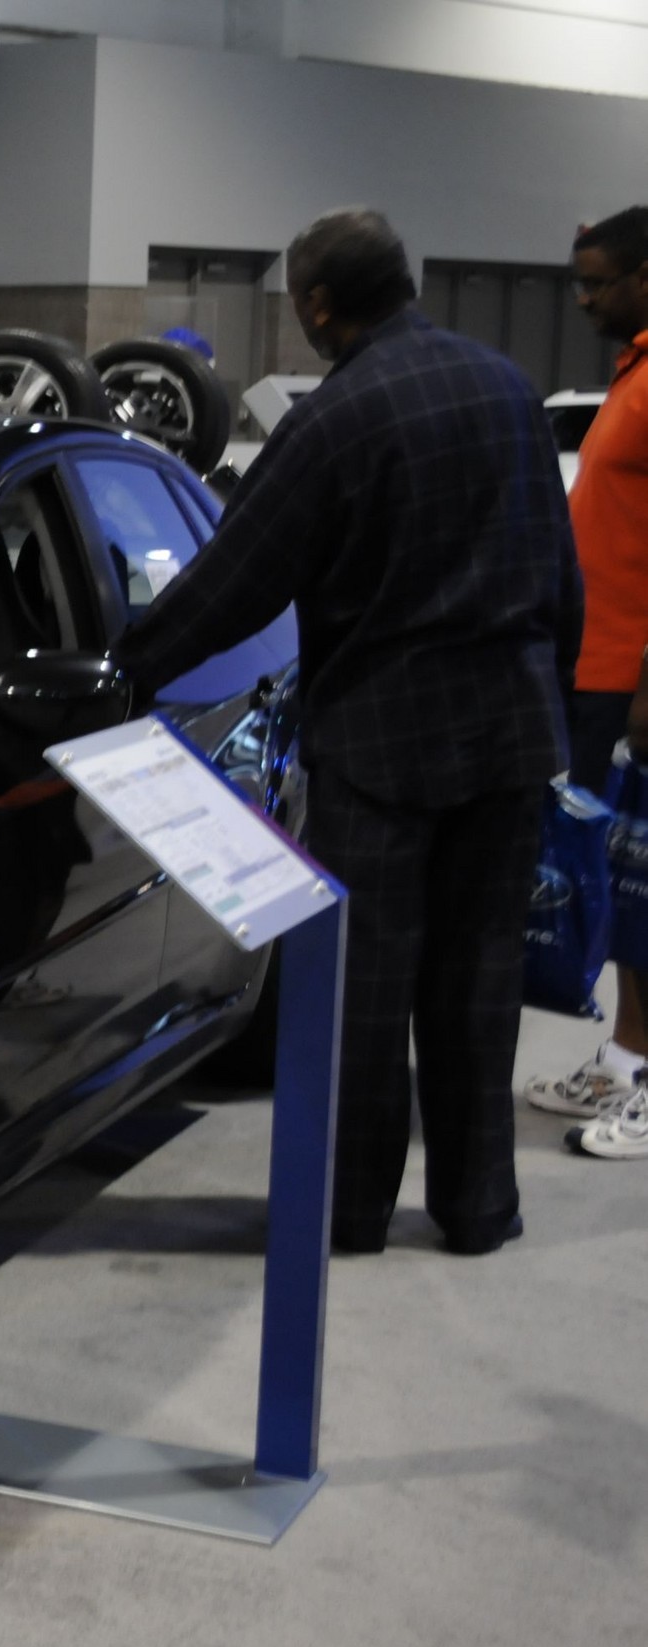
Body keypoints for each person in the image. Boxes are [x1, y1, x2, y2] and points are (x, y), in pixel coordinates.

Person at [117, 208, 582, 1255]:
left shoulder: (335, 420)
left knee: (363, 996)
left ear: (320, 307)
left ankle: (352, 1212)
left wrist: (130, 667)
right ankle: (476, 1209)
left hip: (382, 753)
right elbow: (559, 571)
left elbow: (236, 581)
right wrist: (552, 702)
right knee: (479, 985)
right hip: (510, 737)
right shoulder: (508, 388)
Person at [523, 206, 648, 1161]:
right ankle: (621, 1054)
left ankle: (646, 1078)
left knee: (646, 889)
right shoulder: (632, 371)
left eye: (599, 280)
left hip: (633, 684)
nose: (584, 297)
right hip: (594, 668)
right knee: (609, 884)